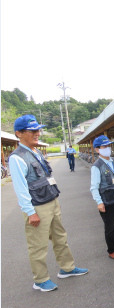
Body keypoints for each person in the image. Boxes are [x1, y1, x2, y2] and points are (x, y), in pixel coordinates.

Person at [9, 115, 88, 292]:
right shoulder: (17, 157)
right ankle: (40, 279)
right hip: (37, 206)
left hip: (50, 201)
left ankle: (67, 268)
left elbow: (46, 178)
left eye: (38, 130)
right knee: (38, 245)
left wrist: (54, 199)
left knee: (60, 237)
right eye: (32, 131)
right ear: (19, 134)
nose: (37, 133)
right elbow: (21, 189)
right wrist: (30, 212)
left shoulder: (35, 152)